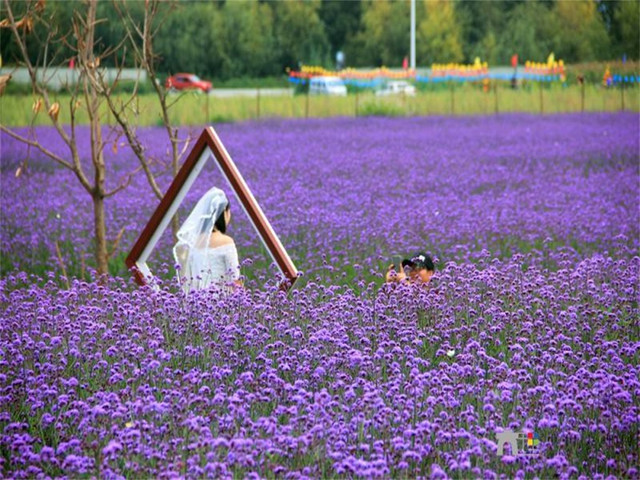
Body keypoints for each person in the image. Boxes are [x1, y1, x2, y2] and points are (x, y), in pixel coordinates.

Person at [173, 187, 242, 294]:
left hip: (198, 302)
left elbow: (186, 279)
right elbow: (235, 279)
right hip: (223, 303)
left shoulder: (192, 242)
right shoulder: (226, 241)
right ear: (224, 212)